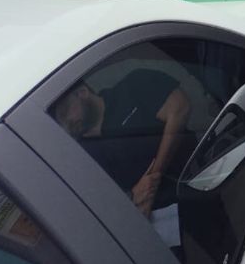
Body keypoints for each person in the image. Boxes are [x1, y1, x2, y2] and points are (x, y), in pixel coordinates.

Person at [52, 70, 191, 216]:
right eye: (59, 122)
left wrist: (153, 177)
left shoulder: (132, 87)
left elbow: (180, 109)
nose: (65, 124)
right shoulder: (80, 155)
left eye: (64, 112)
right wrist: (132, 197)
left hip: (193, 183)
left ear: (82, 92)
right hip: (146, 222)